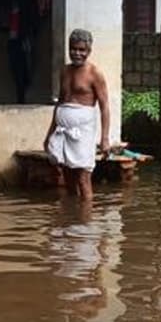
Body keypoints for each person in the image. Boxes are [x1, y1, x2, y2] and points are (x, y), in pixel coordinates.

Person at [44, 29, 111, 199]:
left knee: (83, 178)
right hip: (63, 130)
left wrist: (104, 138)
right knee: (67, 177)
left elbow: (104, 106)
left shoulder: (95, 74)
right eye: (73, 49)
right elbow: (60, 102)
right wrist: (50, 133)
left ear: (89, 51)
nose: (77, 53)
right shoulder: (64, 71)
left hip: (83, 132)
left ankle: (86, 221)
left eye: (82, 50)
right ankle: (71, 218)